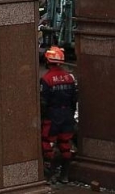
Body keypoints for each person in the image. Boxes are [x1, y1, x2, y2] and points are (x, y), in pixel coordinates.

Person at [40, 46, 77, 183]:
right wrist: (71, 114)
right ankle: (64, 175)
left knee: (47, 143)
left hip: (53, 115)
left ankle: (49, 177)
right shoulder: (69, 77)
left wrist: (43, 117)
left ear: (48, 61)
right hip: (67, 114)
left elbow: (43, 102)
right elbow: (74, 99)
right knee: (65, 143)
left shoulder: (47, 79)